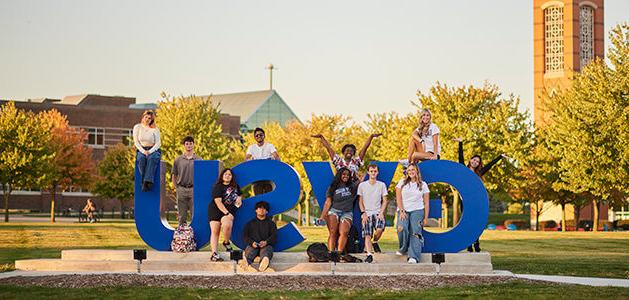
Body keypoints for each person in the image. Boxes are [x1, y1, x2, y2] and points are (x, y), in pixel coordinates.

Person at [455, 137, 507, 252]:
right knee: (466, 222)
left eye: (477, 162)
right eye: (474, 160)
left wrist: (500, 157)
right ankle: (469, 245)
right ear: (470, 160)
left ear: (479, 164)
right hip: (464, 201)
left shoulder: (479, 173)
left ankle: (476, 243)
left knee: (475, 222)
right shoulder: (463, 169)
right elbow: (460, 157)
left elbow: (490, 165)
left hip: (475, 201)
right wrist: (460, 143)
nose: (475, 162)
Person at [319, 167, 356, 261]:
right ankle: (331, 254)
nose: (346, 176)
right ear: (339, 175)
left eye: (348, 175)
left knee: (344, 232)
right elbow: (328, 202)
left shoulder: (352, 186)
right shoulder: (333, 187)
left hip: (347, 212)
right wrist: (322, 216)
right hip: (334, 211)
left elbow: (361, 180)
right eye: (344, 174)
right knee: (332, 232)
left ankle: (339, 254)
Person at [311, 133, 381, 183]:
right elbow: (328, 148)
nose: (349, 152)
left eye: (351, 151)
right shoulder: (338, 160)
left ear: (353, 153)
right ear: (343, 152)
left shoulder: (356, 161)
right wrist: (321, 137)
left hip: (353, 187)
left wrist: (371, 137)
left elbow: (365, 148)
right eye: (347, 150)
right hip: (340, 187)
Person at [395, 164, 430, 263]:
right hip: (403, 210)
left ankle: (413, 257)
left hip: (418, 210)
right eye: (409, 170)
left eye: (413, 170)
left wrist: (426, 218)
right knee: (401, 228)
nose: (410, 172)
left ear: (417, 171)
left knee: (415, 232)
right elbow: (398, 198)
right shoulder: (401, 182)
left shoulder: (423, 185)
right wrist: (401, 211)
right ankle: (403, 248)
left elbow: (426, 203)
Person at [208, 168, 243, 261]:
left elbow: (239, 196)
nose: (227, 176)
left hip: (228, 211)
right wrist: (227, 213)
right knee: (215, 231)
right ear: (222, 176)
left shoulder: (236, 186)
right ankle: (214, 254)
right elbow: (218, 202)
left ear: (232, 177)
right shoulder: (218, 187)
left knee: (227, 225)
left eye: (229, 174)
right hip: (216, 210)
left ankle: (226, 242)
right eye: (225, 174)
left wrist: (239, 199)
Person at [358, 164, 389, 263]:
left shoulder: (381, 185)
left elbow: (385, 200)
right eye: (371, 171)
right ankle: (369, 254)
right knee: (367, 234)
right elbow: (360, 201)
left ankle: (375, 241)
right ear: (368, 172)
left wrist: (381, 213)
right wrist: (363, 213)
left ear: (377, 172)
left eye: (375, 171)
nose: (373, 173)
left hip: (377, 212)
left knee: (379, 230)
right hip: (367, 213)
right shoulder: (362, 185)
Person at [172, 136, 202, 225]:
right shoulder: (178, 159)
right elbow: (174, 174)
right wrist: (176, 187)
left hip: (194, 189)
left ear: (193, 145)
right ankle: (182, 236)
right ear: (184, 145)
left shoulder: (199, 159)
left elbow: (201, 174)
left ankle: (194, 236)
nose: (189, 145)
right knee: (182, 215)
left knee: (195, 214)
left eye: (191, 144)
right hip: (181, 188)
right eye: (187, 144)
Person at [242, 201, 277, 272]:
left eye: (264, 209)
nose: (261, 210)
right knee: (249, 251)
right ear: (256, 210)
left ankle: (263, 264)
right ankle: (246, 263)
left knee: (267, 251)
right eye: (259, 208)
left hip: (266, 245)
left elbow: (274, 236)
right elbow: (245, 236)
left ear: (267, 211)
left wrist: (266, 242)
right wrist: (252, 243)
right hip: (253, 245)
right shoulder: (249, 223)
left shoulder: (271, 224)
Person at [246, 127, 280, 195]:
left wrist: (276, 165)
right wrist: (251, 161)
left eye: (261, 135)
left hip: (268, 175)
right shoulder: (251, 147)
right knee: (258, 195)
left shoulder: (270, 146)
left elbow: (276, 156)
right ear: (254, 137)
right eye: (257, 135)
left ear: (264, 136)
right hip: (257, 175)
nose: (259, 136)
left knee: (270, 195)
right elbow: (247, 158)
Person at [133, 110, 161, 192]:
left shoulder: (155, 129)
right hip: (141, 149)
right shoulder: (137, 127)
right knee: (141, 159)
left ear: (151, 120)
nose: (147, 119)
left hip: (153, 150)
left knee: (152, 159)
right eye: (146, 117)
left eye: (149, 118)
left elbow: (158, 143)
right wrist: (143, 151)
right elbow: (136, 142)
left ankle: (147, 182)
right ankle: (144, 180)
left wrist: (150, 151)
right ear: (143, 117)